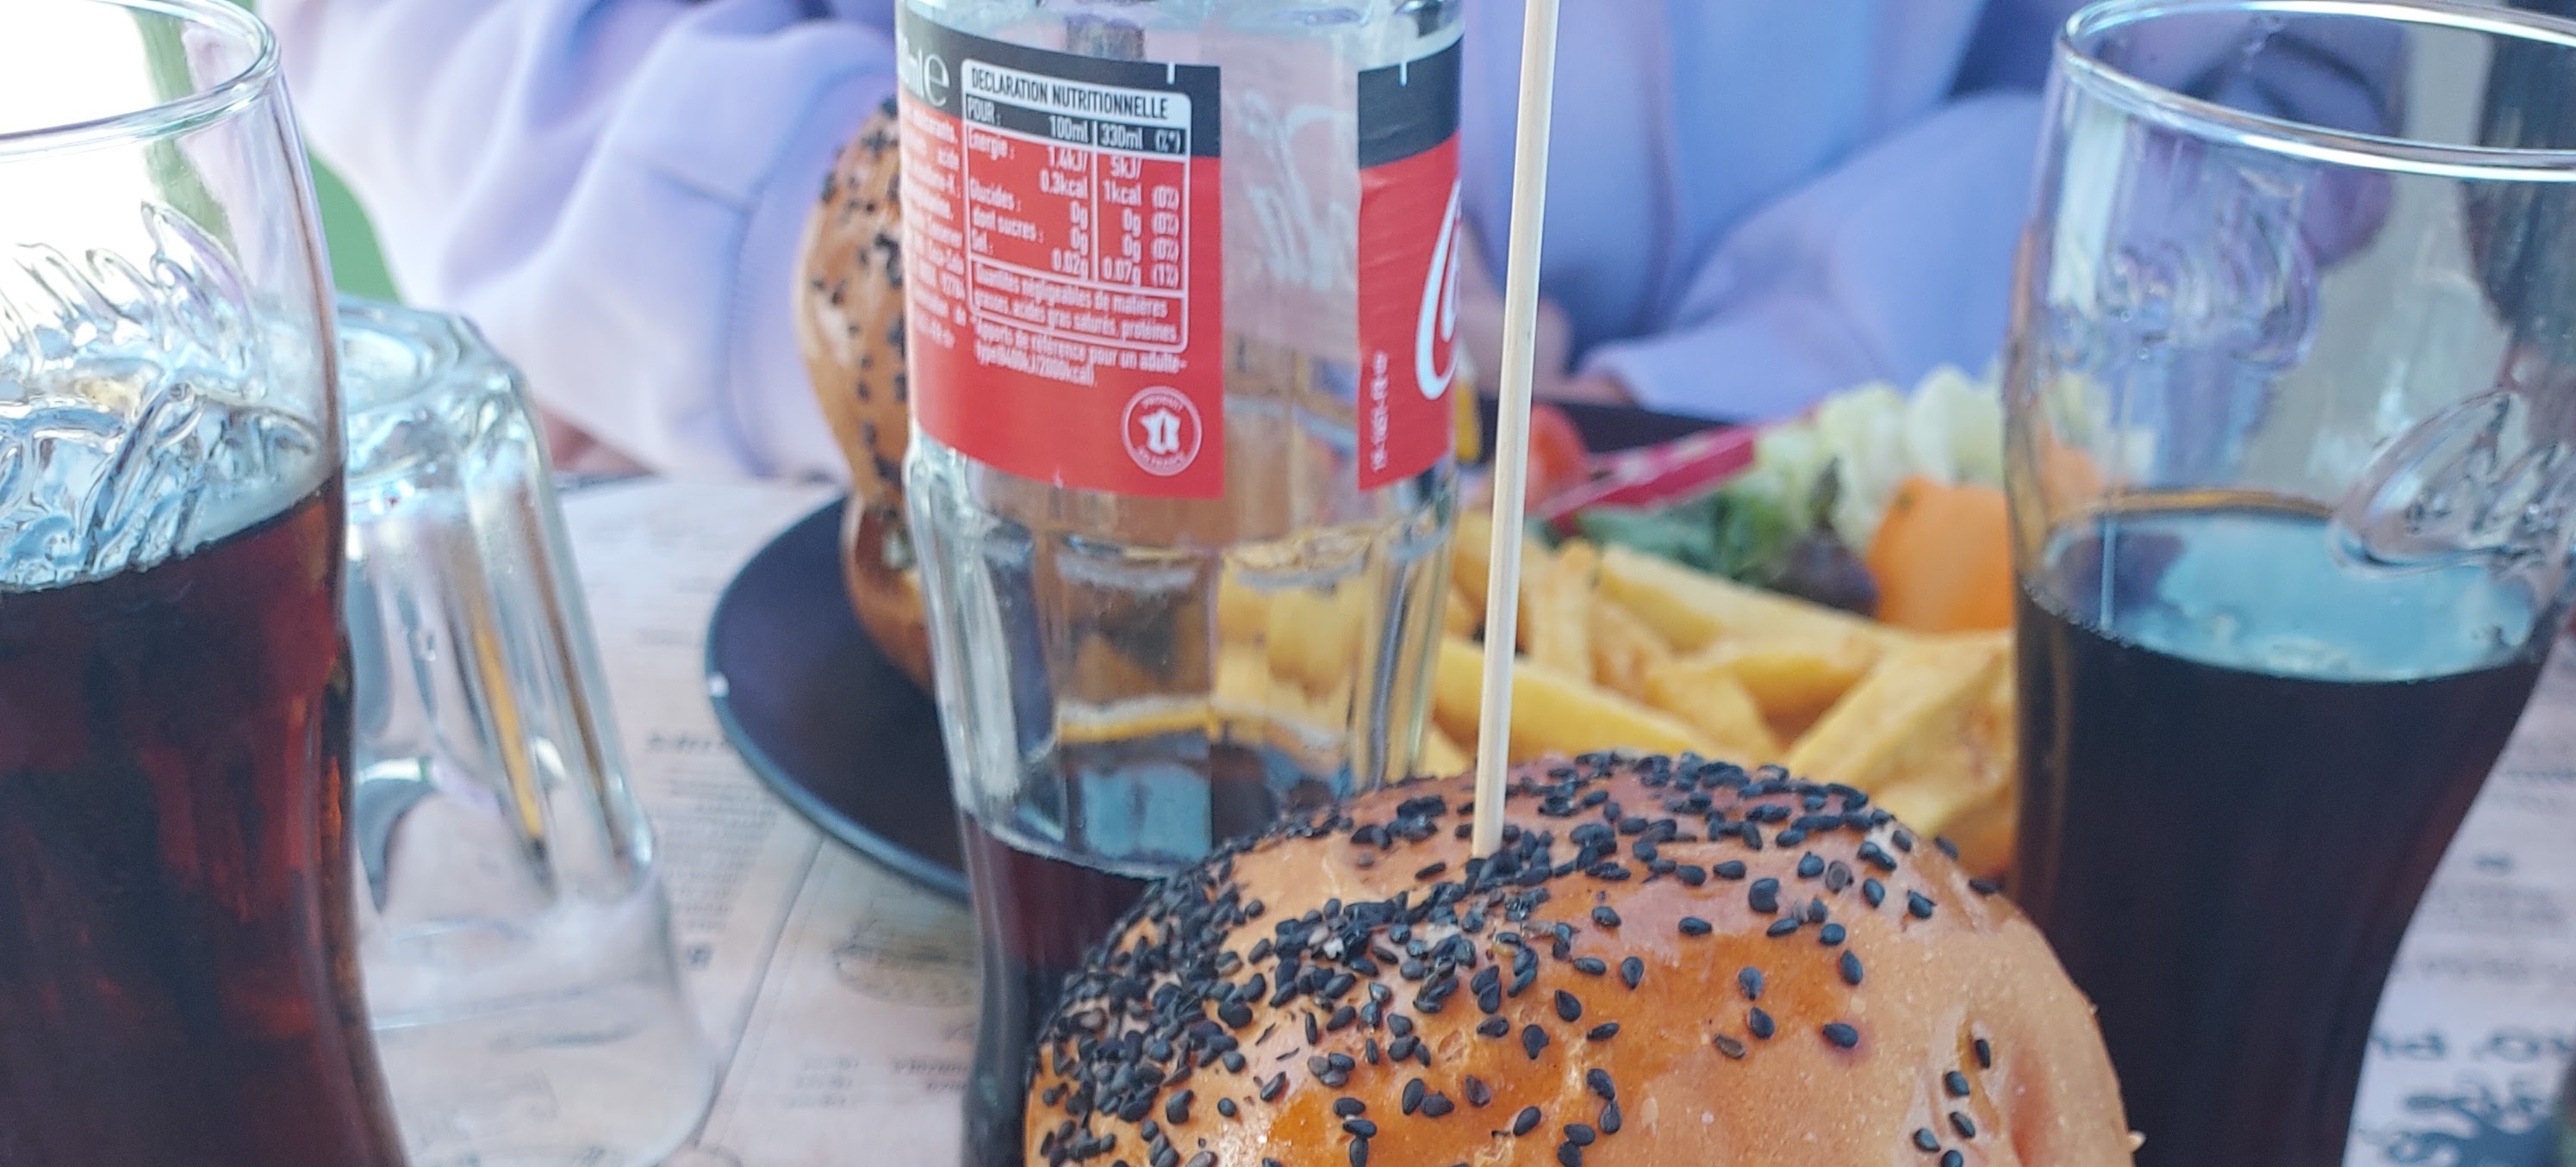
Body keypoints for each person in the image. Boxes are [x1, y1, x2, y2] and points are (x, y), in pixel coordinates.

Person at [270, 0, 2069, 481]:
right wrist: (995, 272)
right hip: (848, 545)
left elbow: (2166, 86)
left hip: (1829, 548)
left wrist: (1713, 398)